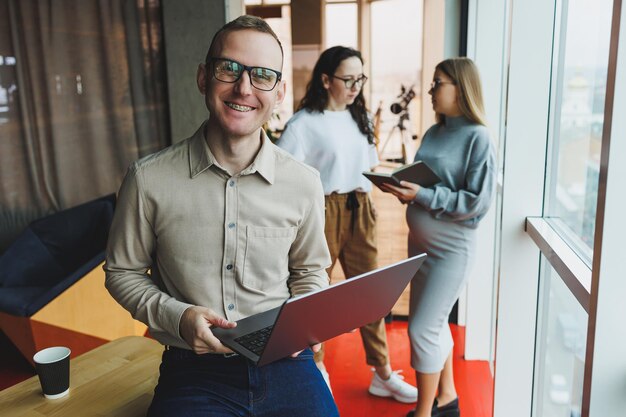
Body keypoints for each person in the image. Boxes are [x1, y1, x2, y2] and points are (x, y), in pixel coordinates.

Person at [104, 15, 339, 417]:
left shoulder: (303, 182)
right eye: (228, 68)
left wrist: (306, 317)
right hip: (193, 371)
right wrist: (178, 318)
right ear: (203, 78)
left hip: (286, 362)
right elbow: (121, 272)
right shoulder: (147, 179)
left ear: (280, 92)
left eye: (262, 75)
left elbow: (311, 270)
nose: (244, 88)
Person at [277, 45, 418, 403]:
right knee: (315, 295)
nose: (355, 86)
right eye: (348, 79)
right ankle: (317, 369)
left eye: (360, 78)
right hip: (323, 211)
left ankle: (382, 373)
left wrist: (395, 182)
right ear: (326, 80)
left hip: (360, 207)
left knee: (370, 294)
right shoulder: (304, 123)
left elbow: (367, 167)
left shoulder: (361, 119)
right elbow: (281, 176)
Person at [382, 57, 496, 417]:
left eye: (437, 84)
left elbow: (477, 202)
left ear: (461, 89)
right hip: (420, 245)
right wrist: (402, 185)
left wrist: (422, 196)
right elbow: (427, 177)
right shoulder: (433, 132)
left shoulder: (478, 138)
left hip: (451, 250)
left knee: (421, 329)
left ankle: (424, 412)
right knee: (434, 323)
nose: (430, 91)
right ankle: (446, 398)